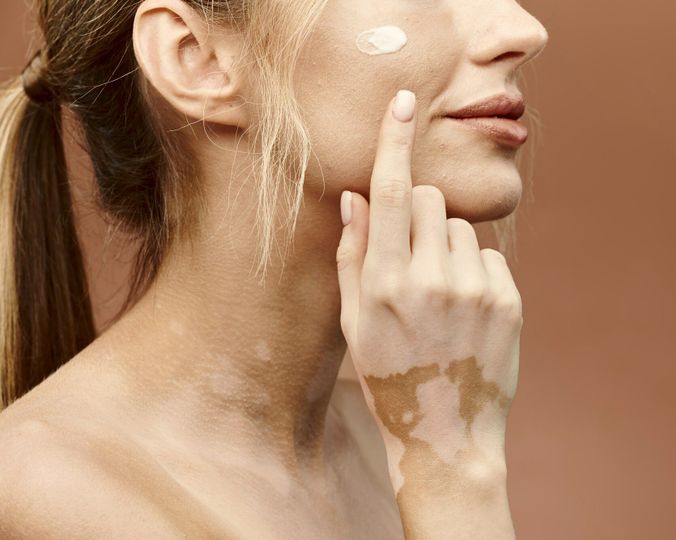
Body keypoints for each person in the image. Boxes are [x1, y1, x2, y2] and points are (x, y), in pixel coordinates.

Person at [0, 0, 548, 537]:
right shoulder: (50, 493)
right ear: (195, 57)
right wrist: (452, 474)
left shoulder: (394, 434)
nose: (523, 30)